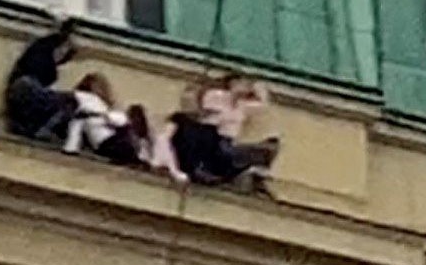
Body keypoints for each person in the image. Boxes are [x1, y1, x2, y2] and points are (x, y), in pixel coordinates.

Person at [151, 73, 280, 194]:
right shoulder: (218, 98)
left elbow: (263, 105)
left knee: (266, 148)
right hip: (217, 141)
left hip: (226, 142)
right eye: (241, 84)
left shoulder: (242, 106)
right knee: (227, 151)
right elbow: (207, 114)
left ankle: (249, 172)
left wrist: (258, 86)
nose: (244, 88)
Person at [4, 15, 80, 142]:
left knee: (61, 102)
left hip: (24, 90)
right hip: (25, 87)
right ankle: (43, 130)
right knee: (69, 101)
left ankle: (32, 128)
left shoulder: (43, 49)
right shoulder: (46, 48)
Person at [62, 73, 151, 167]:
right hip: (107, 141)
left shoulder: (97, 104)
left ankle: (136, 158)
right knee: (126, 135)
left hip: (106, 139)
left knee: (126, 131)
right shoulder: (86, 98)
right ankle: (136, 158)